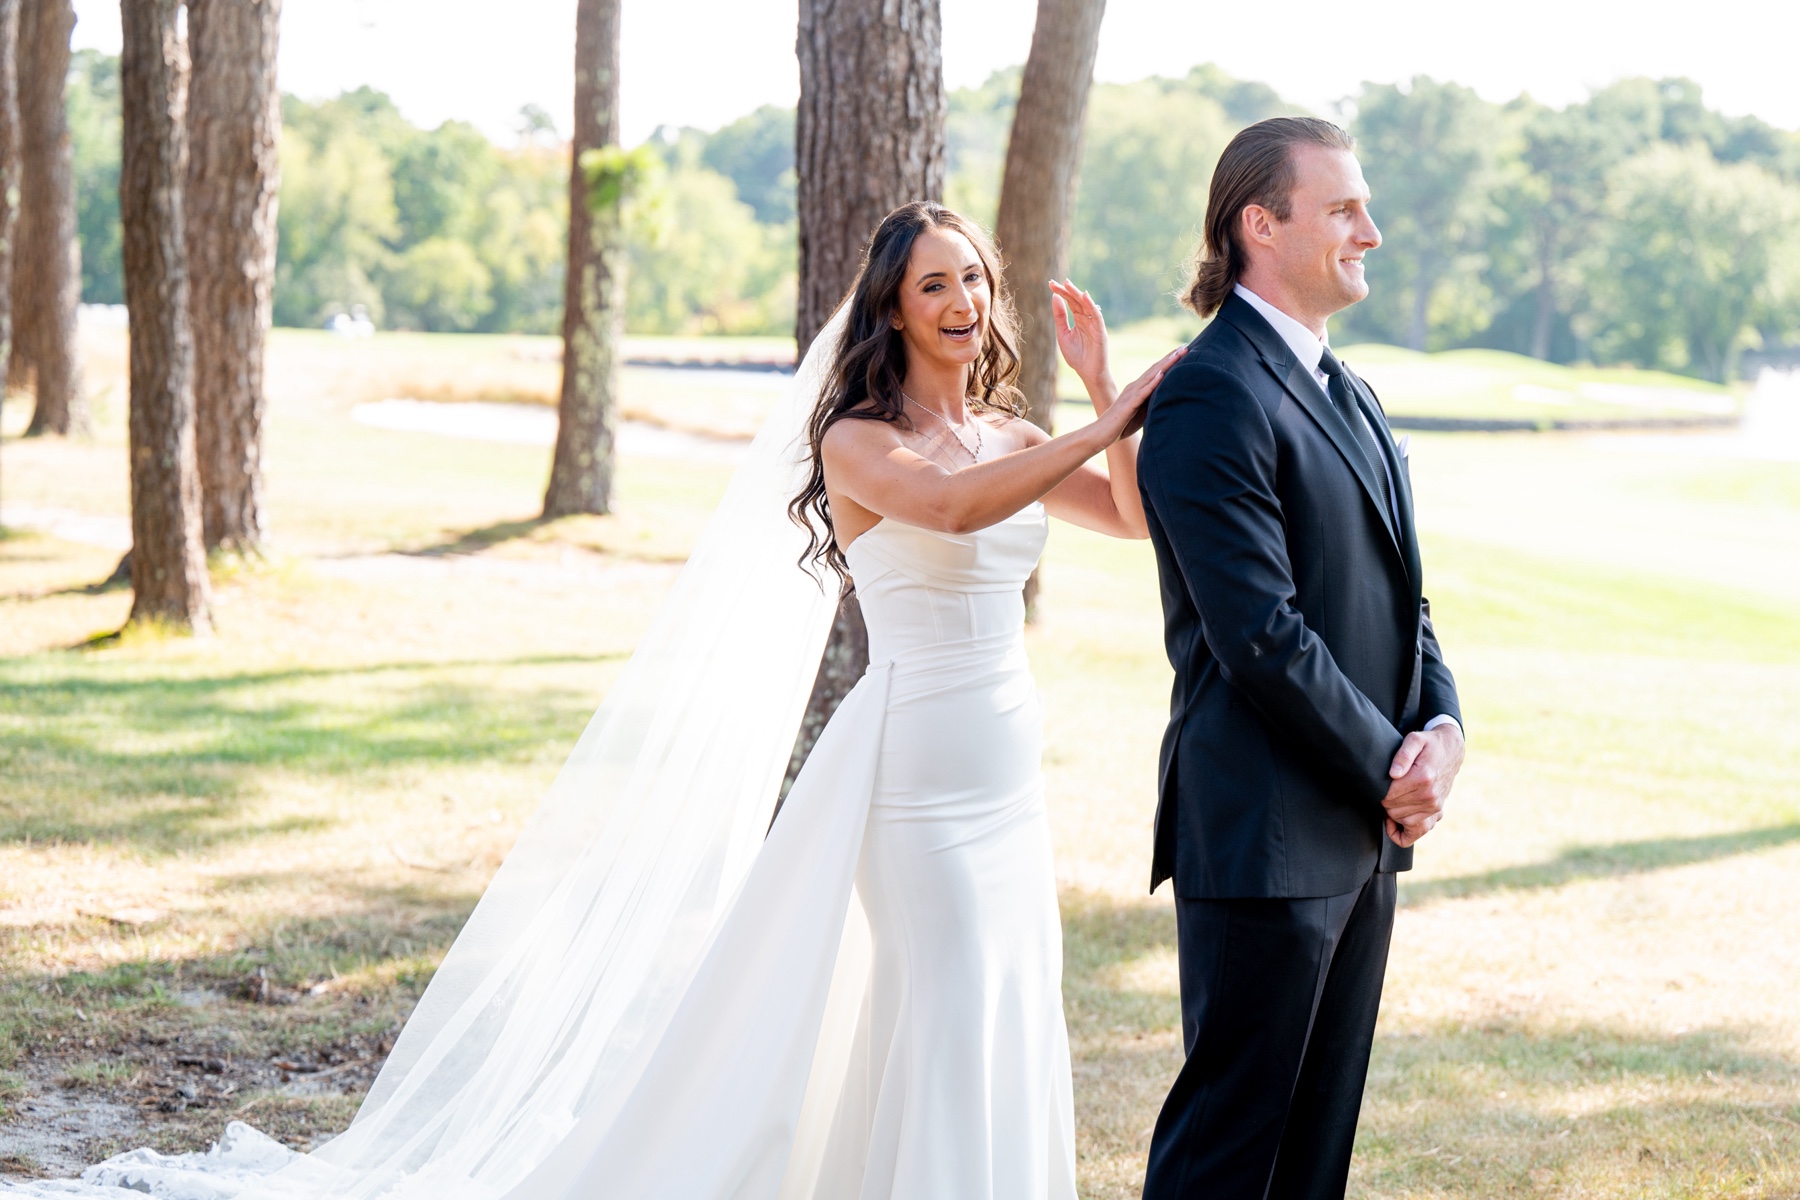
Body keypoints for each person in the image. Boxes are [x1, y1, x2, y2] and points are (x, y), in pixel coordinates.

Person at [3, 202, 1177, 1200]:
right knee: (950, 991)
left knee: (1003, 991)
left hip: (1006, 770)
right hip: (912, 772)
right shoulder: (862, 443)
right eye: (935, 283)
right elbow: (962, 512)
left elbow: (1125, 517)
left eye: (973, 276)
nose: (963, 298)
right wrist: (1108, 422)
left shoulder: (1017, 430)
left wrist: (1101, 389)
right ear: (894, 308)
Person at [1135, 117, 1466, 1199]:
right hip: (1266, 835)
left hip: (1362, 834)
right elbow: (1260, 634)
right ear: (1259, 223)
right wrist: (1392, 766)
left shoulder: (1352, 393)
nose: (1370, 231)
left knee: (1313, 1157)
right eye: (1343, 209)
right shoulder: (1209, 391)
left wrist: (1442, 738)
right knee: (1228, 1157)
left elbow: (1402, 599)